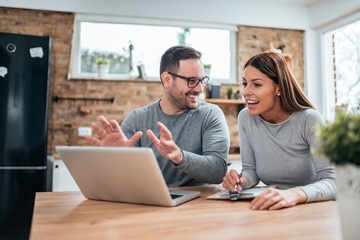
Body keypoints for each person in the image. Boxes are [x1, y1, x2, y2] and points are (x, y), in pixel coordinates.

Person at [85, 45, 230, 187]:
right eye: (192, 81)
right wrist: (113, 160)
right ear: (167, 80)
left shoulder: (210, 114)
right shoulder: (137, 120)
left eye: (202, 80)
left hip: (196, 206)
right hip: (149, 202)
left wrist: (179, 156)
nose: (199, 89)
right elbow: (122, 179)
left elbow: (218, 171)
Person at [222, 51, 336, 210]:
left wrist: (294, 194)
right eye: (245, 83)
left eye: (257, 84)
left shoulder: (309, 119)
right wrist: (240, 181)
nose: (246, 92)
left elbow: (333, 182)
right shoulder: (246, 118)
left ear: (279, 88)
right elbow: (251, 172)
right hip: (274, 207)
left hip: (312, 208)